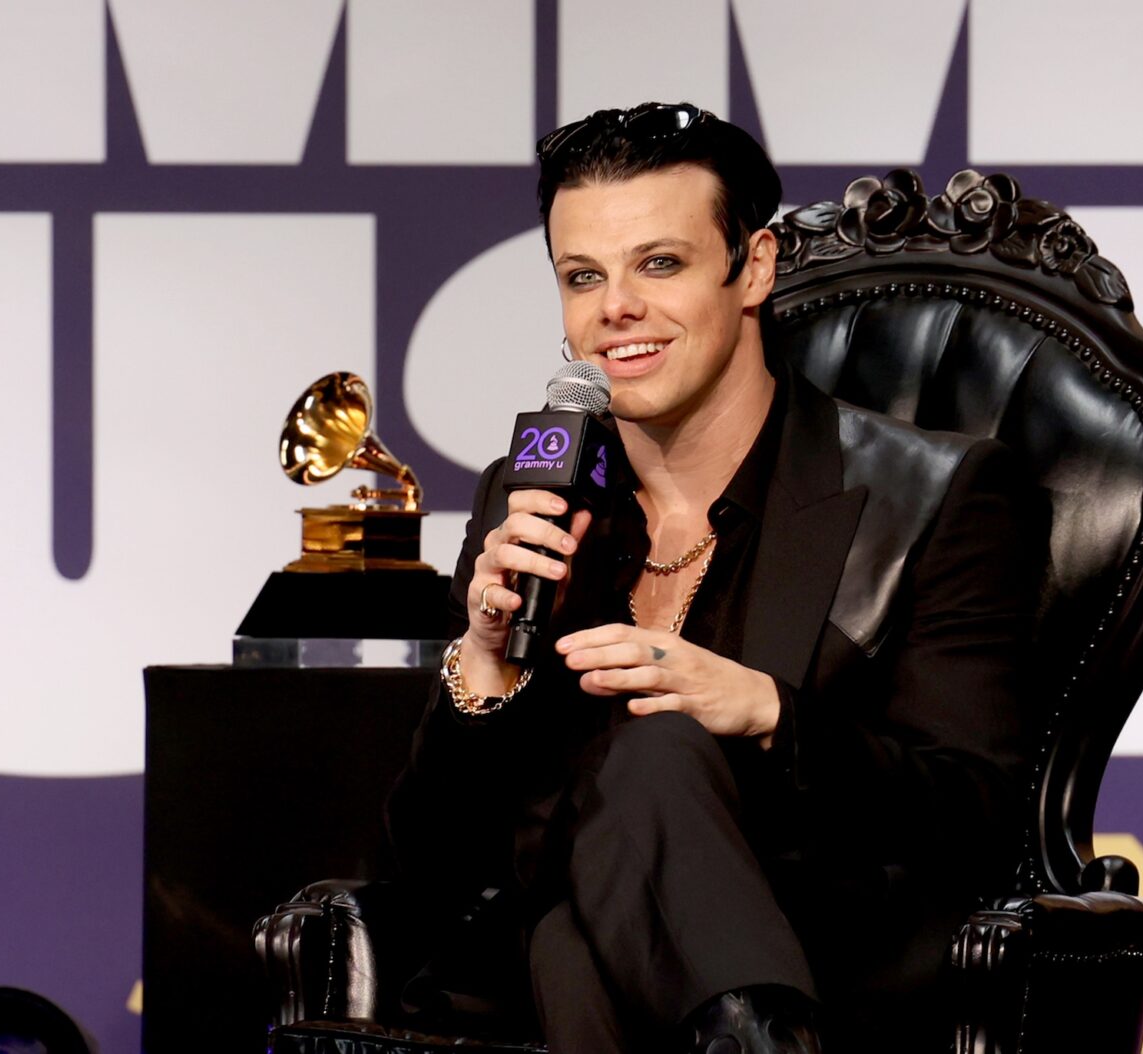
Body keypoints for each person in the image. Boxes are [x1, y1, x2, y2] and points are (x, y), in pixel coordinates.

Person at [386, 102, 1038, 1053]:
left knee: (641, 783)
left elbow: (977, 820)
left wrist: (766, 711)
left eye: (661, 263)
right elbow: (429, 865)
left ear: (755, 268)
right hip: (566, 972)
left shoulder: (935, 497)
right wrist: (482, 671)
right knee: (571, 928)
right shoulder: (528, 500)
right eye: (582, 277)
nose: (616, 310)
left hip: (831, 963)